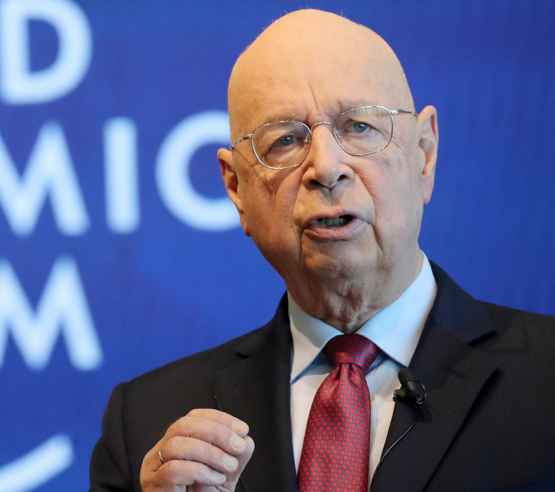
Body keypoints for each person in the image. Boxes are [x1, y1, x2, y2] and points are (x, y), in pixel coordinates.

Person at [89, 9, 555, 492]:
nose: (327, 167)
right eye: (286, 140)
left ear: (425, 153)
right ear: (236, 187)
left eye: (359, 127)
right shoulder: (147, 428)